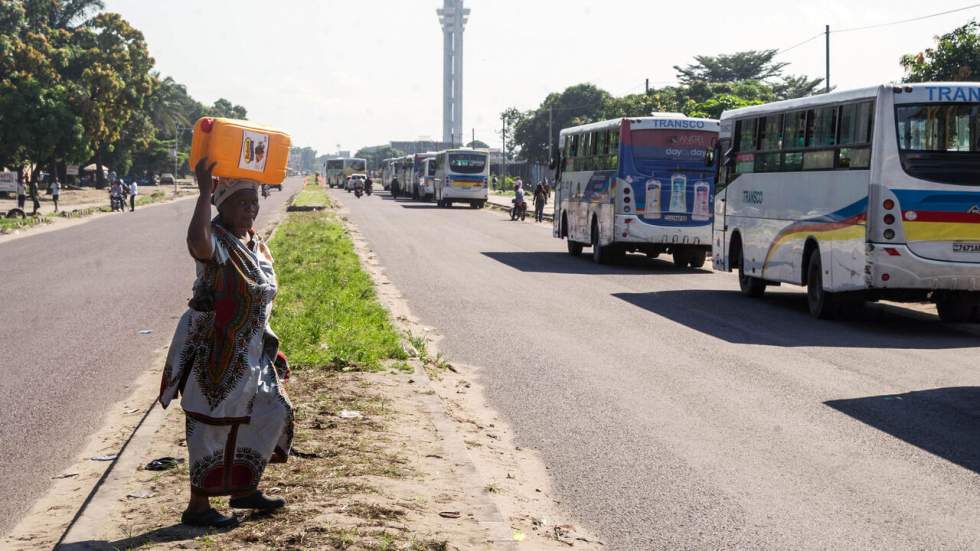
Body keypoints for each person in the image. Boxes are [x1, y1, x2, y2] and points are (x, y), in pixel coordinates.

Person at [159, 157, 294, 528]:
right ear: (223, 205)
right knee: (210, 424)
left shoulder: (255, 243)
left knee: (269, 411)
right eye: (241, 202)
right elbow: (195, 241)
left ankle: (245, 488)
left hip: (253, 350)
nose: (250, 208)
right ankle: (198, 506)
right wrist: (204, 191)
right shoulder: (217, 240)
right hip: (215, 352)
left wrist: (271, 347)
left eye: (253, 202)